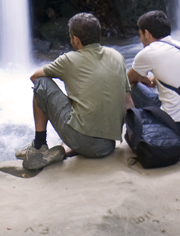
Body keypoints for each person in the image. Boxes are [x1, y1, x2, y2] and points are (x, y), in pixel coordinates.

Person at [16, 13, 133, 171]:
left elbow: (35, 77)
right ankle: (66, 149)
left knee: (42, 84)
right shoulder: (117, 57)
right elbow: (128, 101)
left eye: (71, 37)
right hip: (108, 145)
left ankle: (39, 146)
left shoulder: (69, 59)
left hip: (82, 141)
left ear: (76, 40)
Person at [127, 10, 180, 134]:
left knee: (131, 87)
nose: (140, 40)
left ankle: (132, 128)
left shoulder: (148, 53)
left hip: (176, 124)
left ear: (147, 34)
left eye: (140, 35)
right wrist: (154, 79)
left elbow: (127, 79)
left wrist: (141, 78)